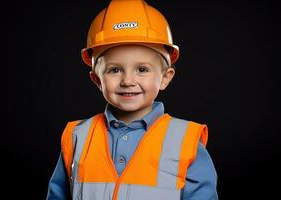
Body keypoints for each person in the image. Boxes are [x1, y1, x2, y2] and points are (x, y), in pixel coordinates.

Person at [46, 0, 218, 199]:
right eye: (114, 70)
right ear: (97, 80)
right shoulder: (78, 137)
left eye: (142, 69)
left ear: (165, 77)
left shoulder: (185, 141)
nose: (127, 81)